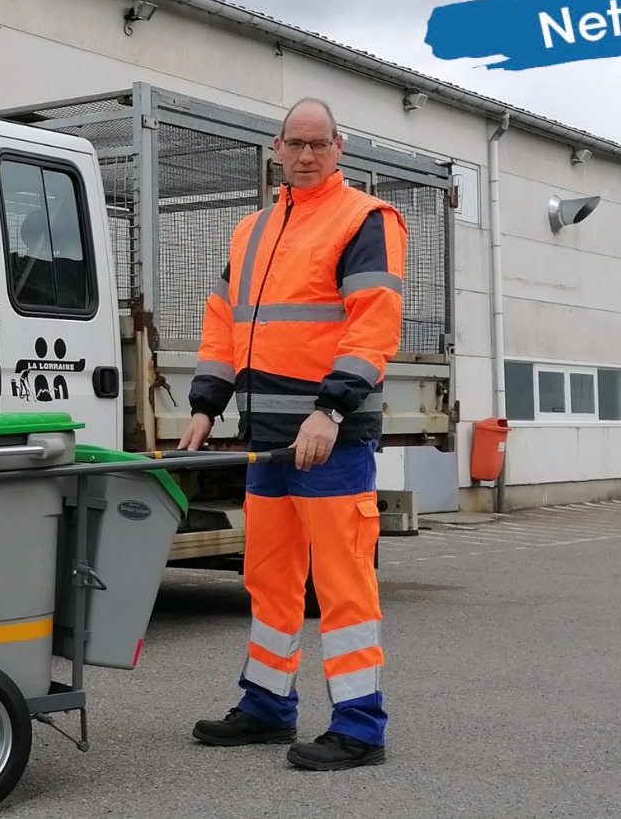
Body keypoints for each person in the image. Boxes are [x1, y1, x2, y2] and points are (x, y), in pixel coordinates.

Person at [178, 97, 407, 771]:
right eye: (295, 144)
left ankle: (360, 727)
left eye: (319, 144)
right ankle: (267, 706)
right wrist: (204, 403)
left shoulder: (366, 219)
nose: (306, 156)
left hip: (329, 437)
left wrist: (330, 410)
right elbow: (223, 321)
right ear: (274, 149)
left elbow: (374, 323)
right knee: (268, 578)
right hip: (265, 436)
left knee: (341, 583)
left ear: (340, 148)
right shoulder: (250, 230)